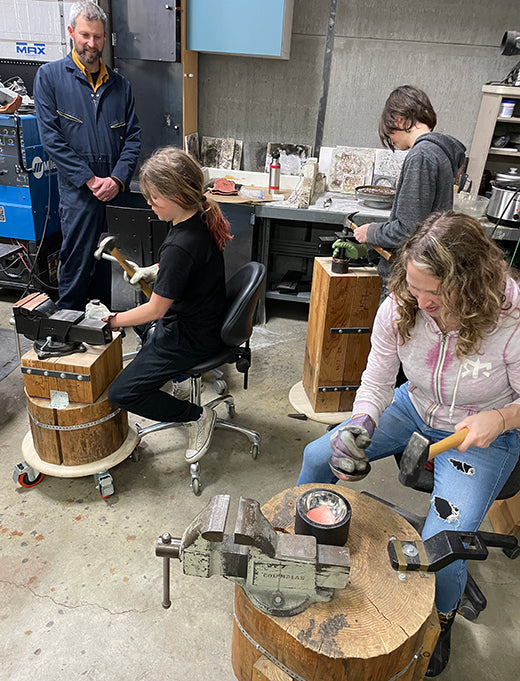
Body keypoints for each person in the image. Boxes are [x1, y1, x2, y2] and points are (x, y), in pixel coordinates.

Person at [298, 212, 520, 676]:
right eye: (413, 286)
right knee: (317, 455)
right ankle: (304, 559)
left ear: (471, 284)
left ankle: (442, 623)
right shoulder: (402, 305)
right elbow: (377, 381)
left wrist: (501, 418)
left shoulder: (512, 321)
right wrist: (361, 422)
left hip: (480, 432)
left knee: (444, 545)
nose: (418, 300)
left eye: (433, 293)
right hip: (413, 407)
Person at [105, 146, 232, 463]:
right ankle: (177, 380)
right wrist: (155, 271)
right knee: (148, 332)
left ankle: (196, 415)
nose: (149, 205)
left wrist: (111, 320)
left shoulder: (179, 245)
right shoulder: (199, 219)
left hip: (190, 336)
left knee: (122, 393)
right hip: (203, 319)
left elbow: (156, 310)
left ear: (177, 195)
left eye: (154, 198)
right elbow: (187, 266)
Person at [33, 0, 141, 311]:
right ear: (71, 33)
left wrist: (118, 179)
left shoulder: (121, 86)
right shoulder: (50, 77)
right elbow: (51, 139)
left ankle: (103, 329)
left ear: (105, 37)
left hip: (115, 191)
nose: (91, 44)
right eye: (84, 36)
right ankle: (70, 327)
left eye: (97, 37)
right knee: (77, 260)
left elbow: (133, 138)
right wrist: (90, 179)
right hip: (79, 191)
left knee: (112, 262)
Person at [353, 85, 466, 289]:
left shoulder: (421, 156)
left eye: (390, 134)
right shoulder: (440, 152)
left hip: (408, 277)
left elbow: (408, 231)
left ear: (398, 118)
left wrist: (370, 232)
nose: (392, 141)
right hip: (426, 270)